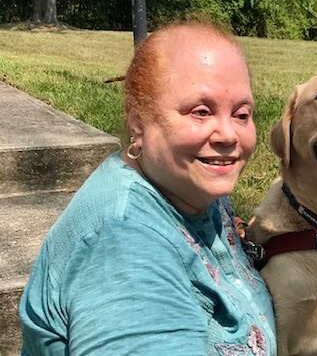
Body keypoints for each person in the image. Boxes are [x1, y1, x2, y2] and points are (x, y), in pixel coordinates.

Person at [19, 20, 277, 355]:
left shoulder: (194, 191)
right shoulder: (126, 247)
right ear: (138, 118)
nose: (228, 135)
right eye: (201, 112)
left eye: (241, 114)